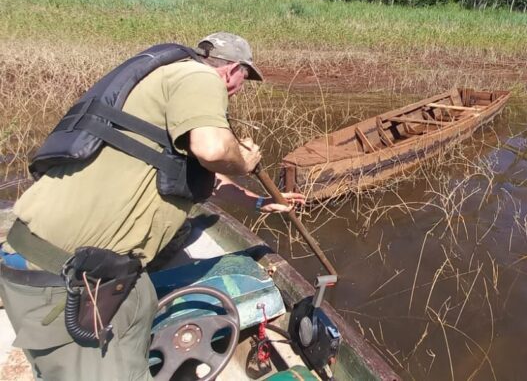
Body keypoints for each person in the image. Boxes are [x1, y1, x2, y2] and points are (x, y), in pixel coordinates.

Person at [0, 32, 304, 380]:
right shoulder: (200, 77)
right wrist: (245, 162)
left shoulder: (168, 86)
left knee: (143, 300)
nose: (241, 87)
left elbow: (204, 179)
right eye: (244, 78)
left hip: (87, 268)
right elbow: (214, 151)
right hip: (67, 278)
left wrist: (257, 201)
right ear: (231, 69)